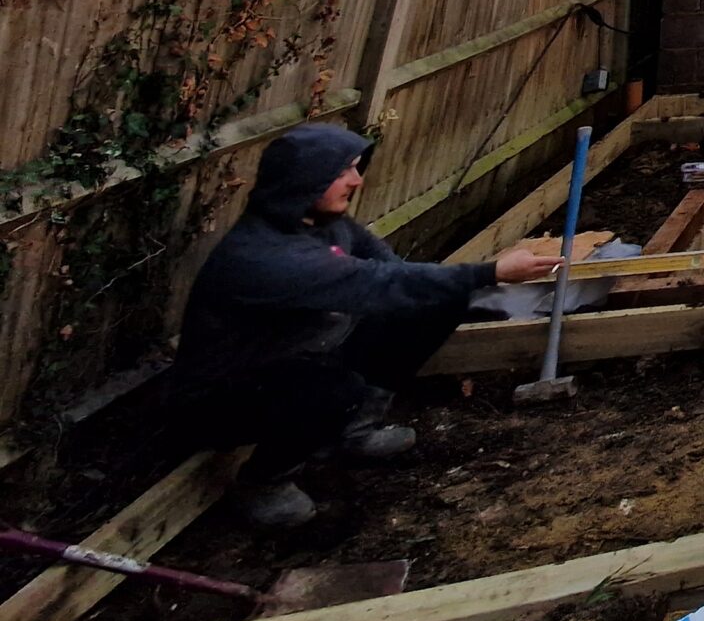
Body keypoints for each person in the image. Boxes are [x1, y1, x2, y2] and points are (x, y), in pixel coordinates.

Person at [171, 124, 562, 530]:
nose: (357, 180)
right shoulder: (265, 257)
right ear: (304, 180)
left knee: (435, 302)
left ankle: (354, 432)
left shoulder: (324, 222)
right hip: (223, 396)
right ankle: (263, 482)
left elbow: (394, 271)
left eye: (356, 168)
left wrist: (450, 288)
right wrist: (490, 272)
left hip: (302, 351)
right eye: (343, 172)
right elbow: (376, 282)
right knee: (331, 391)